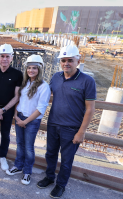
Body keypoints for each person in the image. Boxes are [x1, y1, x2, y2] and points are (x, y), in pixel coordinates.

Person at [37, 44, 96, 198]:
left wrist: (81, 132)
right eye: (63, 60)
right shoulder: (56, 77)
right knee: (50, 154)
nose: (66, 63)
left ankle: (61, 185)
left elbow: (90, 109)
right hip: (53, 124)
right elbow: (43, 94)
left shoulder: (87, 81)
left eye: (70, 60)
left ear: (78, 60)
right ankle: (50, 177)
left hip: (71, 129)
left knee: (66, 160)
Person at [5, 55, 50, 185]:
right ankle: (18, 166)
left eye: (34, 68)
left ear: (40, 70)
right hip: (20, 117)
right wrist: (16, 115)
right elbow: (19, 100)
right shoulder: (25, 83)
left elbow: (41, 109)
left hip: (32, 121)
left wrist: (25, 121)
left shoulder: (44, 86)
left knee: (29, 148)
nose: (31, 70)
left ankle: (27, 172)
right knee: (19, 144)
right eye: (29, 68)